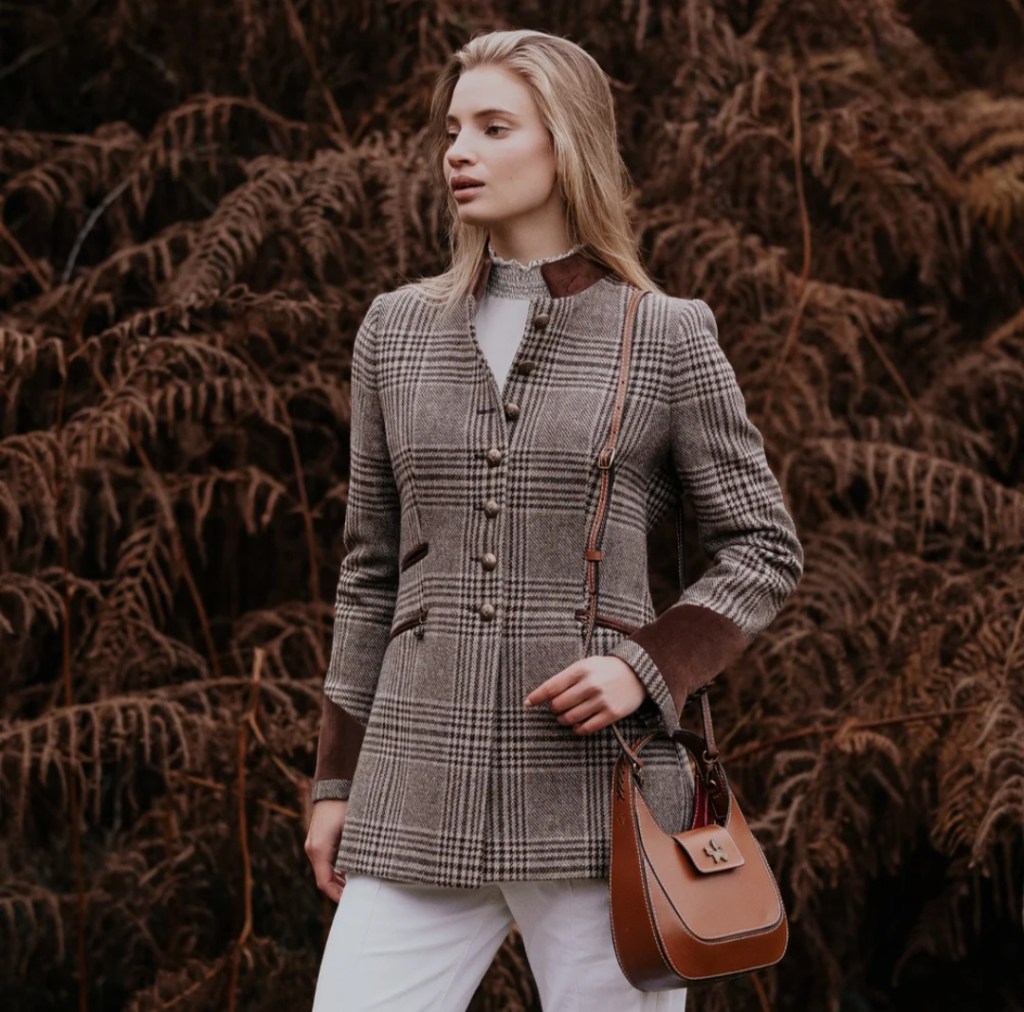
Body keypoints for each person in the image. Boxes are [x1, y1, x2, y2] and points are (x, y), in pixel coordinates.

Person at [304, 27, 804, 1012]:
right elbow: (368, 571)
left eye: (494, 127)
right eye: (453, 129)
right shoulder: (394, 331)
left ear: (565, 145)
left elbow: (763, 545)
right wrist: (333, 781)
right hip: (415, 781)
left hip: (598, 799)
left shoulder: (664, 335)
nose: (458, 151)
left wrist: (644, 666)